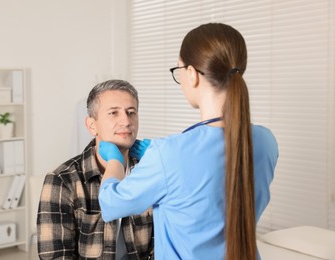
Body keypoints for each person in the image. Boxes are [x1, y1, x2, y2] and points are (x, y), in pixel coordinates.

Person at [98, 23, 279, 260]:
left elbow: (111, 205)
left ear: (192, 74)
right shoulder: (266, 141)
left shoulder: (169, 154)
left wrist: (114, 162)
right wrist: (162, 157)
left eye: (179, 69)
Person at [37, 79, 154, 259]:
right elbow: (55, 255)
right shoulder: (62, 180)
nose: (126, 120)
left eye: (131, 112)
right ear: (92, 125)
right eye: (113, 113)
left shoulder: (151, 172)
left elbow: (163, 243)